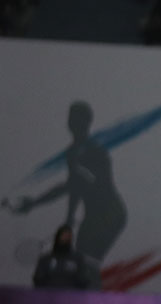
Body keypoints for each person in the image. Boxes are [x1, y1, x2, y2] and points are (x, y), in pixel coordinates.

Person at [7, 101, 128, 268]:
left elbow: (74, 186)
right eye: (71, 118)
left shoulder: (96, 153)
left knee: (86, 261)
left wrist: (35, 203)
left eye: (77, 119)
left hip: (110, 214)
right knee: (82, 260)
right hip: (94, 215)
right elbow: (74, 189)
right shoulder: (72, 152)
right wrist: (69, 217)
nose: (73, 122)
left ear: (87, 122)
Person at [32, 225, 93, 290]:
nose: (66, 239)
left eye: (68, 236)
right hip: (49, 294)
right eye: (63, 236)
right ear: (58, 237)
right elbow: (38, 280)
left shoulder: (78, 259)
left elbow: (84, 280)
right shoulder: (45, 259)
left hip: (71, 294)